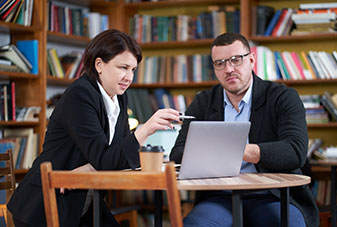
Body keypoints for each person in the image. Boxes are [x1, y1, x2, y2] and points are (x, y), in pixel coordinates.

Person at [8, 29, 181, 227]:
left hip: (84, 202)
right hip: (45, 207)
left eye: (133, 69)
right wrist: (146, 129)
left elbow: (116, 157)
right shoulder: (80, 94)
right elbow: (108, 158)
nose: (129, 77)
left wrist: (87, 169)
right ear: (99, 64)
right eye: (123, 67)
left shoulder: (119, 96)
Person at [170, 32, 319, 227]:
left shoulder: (283, 97)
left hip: (271, 194)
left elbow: (295, 151)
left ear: (251, 60)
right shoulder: (203, 102)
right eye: (220, 63)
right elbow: (178, 153)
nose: (229, 69)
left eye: (235, 60)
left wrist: (237, 150)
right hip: (220, 197)